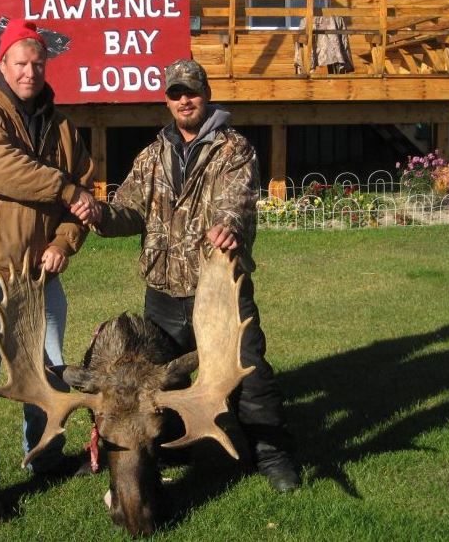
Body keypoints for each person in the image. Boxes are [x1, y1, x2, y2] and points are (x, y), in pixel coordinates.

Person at [71, 58, 301, 493]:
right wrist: (100, 213)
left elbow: (236, 201)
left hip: (218, 291)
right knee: (158, 387)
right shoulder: (152, 156)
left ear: (206, 94)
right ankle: (171, 449)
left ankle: (273, 453)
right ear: (167, 100)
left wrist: (227, 225)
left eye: (191, 92)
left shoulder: (234, 149)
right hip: (161, 291)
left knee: (248, 373)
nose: (184, 100)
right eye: (175, 93)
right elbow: (129, 210)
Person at [0, 19, 97, 524]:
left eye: (37, 63)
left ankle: (46, 456)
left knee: (50, 374)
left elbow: (86, 189)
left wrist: (63, 241)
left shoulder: (62, 125)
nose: (29, 71)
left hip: (41, 275)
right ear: (1, 64)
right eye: (20, 63)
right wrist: (67, 190)